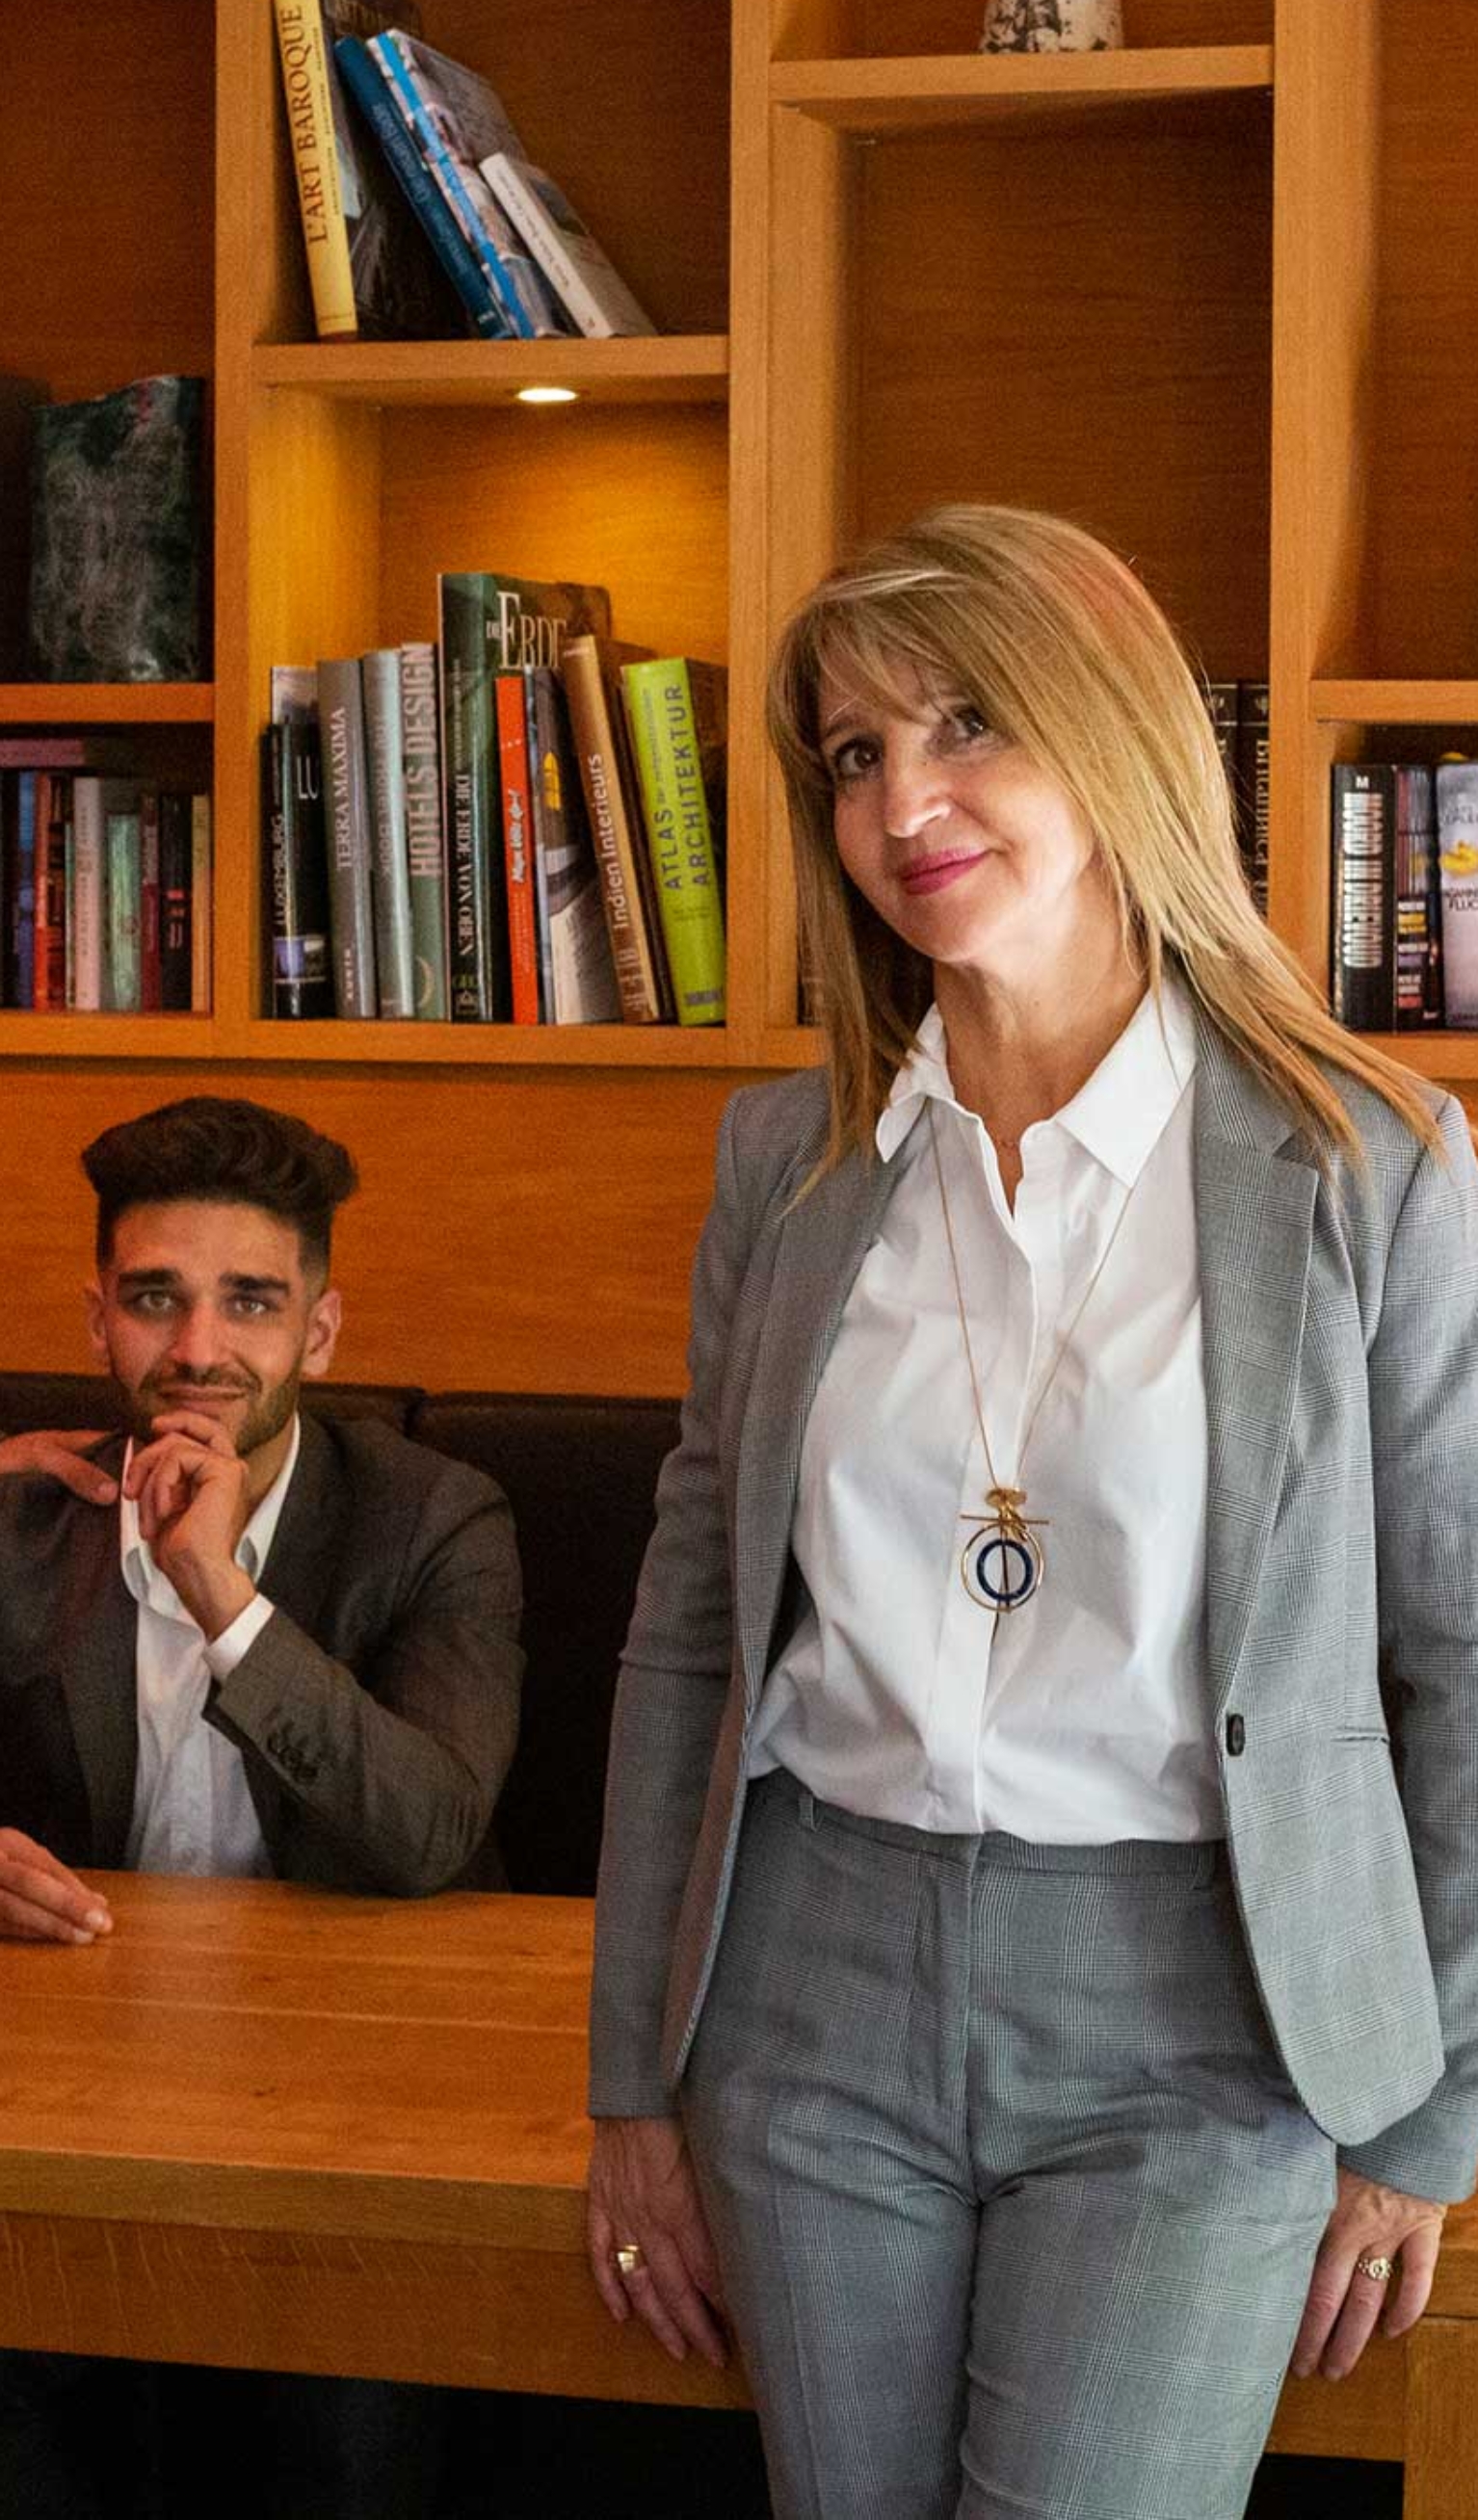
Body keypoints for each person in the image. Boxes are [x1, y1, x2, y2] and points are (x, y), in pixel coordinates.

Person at [584, 505, 1478, 2520]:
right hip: (805, 1989)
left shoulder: (1368, 1163)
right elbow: (686, 1638)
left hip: (1201, 2015)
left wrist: (1425, 2114)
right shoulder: (789, 1164)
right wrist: (630, 2077)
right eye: (853, 752)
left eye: (966, 722)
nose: (902, 802)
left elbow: (1458, 1654)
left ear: (1113, 731)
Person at [0, 1092, 524, 2519]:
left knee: (345, 2413)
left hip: (359, 2104)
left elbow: (428, 1830)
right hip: (80, 2109)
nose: (197, 1349)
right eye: (153, 1299)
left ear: (319, 1332)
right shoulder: (28, 1512)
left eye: (250, 1301)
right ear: (98, 1319)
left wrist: (219, 1592)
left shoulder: (437, 1519)